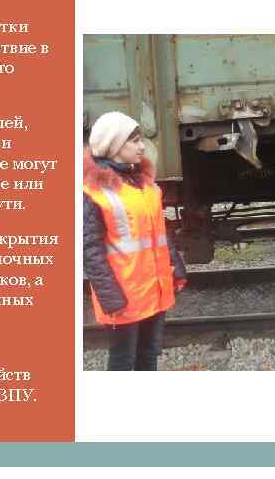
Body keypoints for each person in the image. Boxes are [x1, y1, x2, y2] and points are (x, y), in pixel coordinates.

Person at [83, 111, 187, 371]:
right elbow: (90, 250)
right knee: (123, 360)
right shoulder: (94, 192)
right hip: (124, 296)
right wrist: (111, 298)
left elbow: (159, 232)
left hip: (153, 289)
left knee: (148, 356)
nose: (142, 147)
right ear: (115, 146)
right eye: (135, 141)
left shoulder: (146, 186)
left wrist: (175, 267)